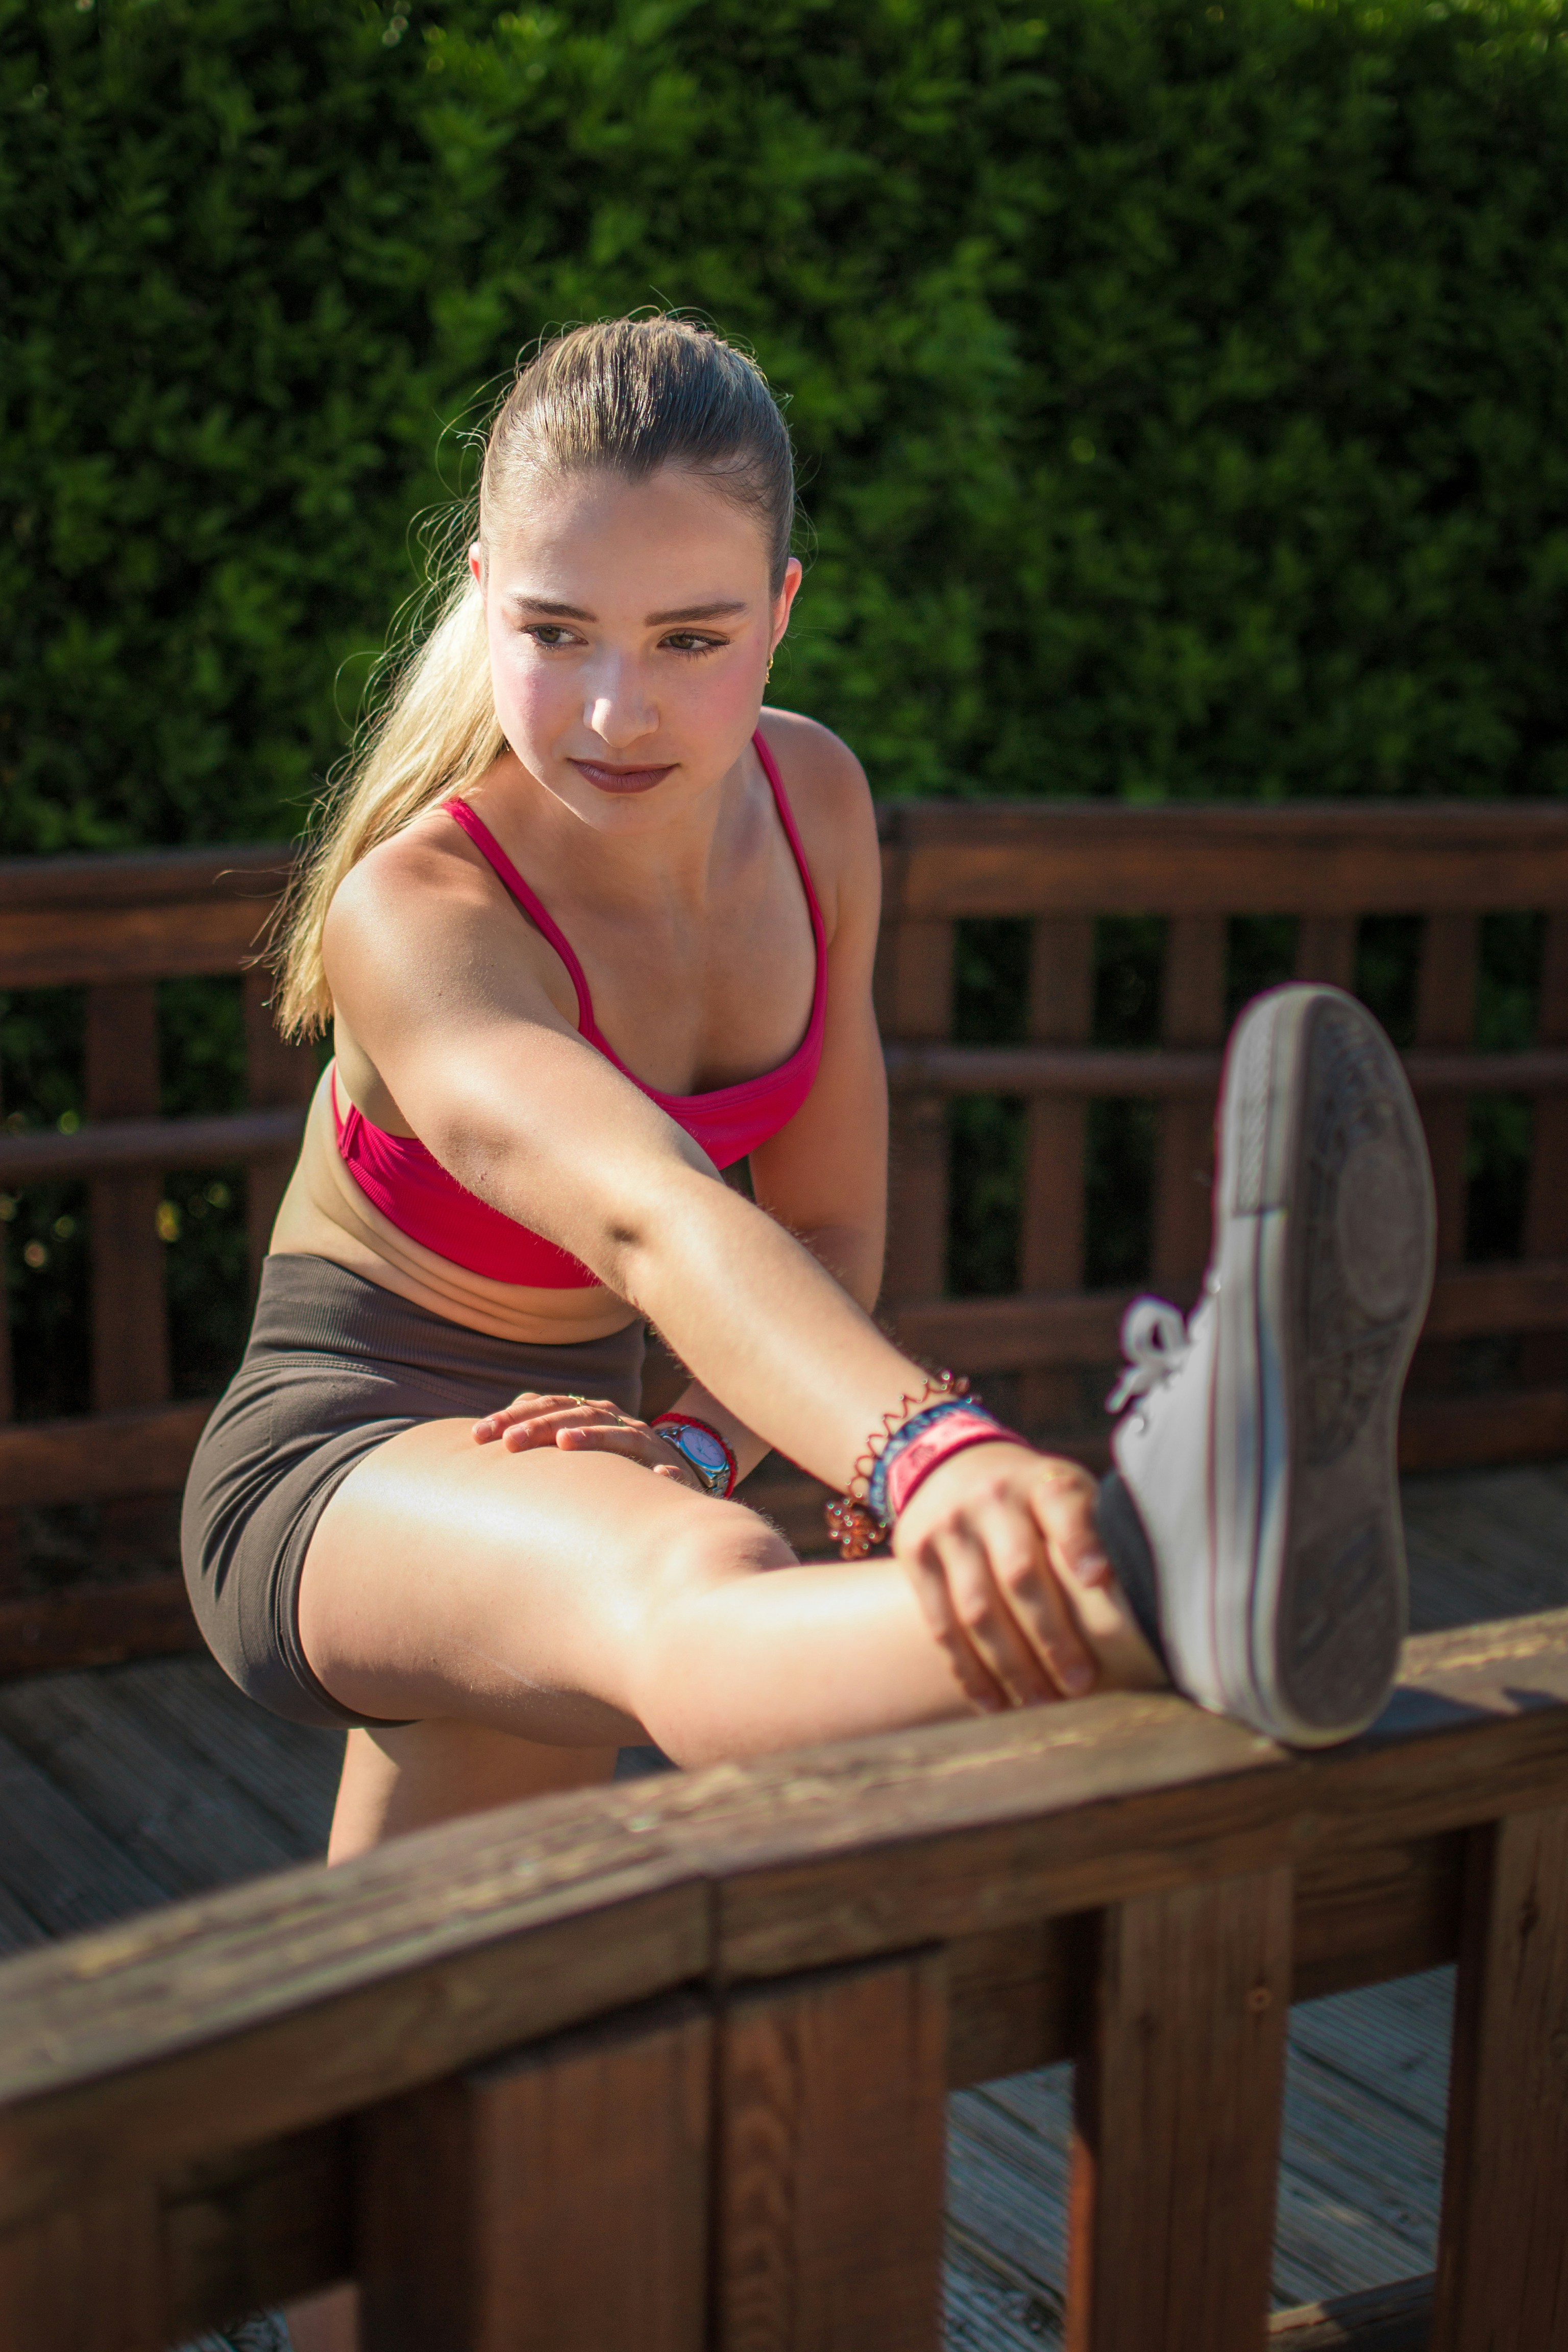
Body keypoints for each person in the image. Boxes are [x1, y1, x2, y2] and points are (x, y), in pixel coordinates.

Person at [182, 315, 1436, 1878]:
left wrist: (699, 1440)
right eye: (558, 632)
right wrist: (932, 1454)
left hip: (586, 1439)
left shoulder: (813, 800)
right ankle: (1158, 1577)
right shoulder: (421, 914)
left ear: (781, 615)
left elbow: (831, 1219)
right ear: (485, 598)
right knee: (697, 1575)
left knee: (428, 1973)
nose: (612, 713)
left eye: (689, 640)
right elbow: (650, 1212)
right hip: (342, 1452)